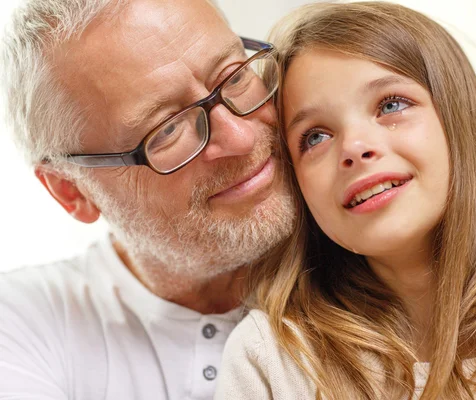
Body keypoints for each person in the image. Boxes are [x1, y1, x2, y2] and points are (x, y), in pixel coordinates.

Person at [215, 2, 476, 399]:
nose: (355, 147)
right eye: (315, 136)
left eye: (391, 105)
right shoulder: (272, 361)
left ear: (460, 121)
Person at [0, 0, 295, 398]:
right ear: (72, 191)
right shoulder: (24, 325)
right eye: (167, 130)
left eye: (235, 76)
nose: (241, 138)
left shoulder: (382, 253)